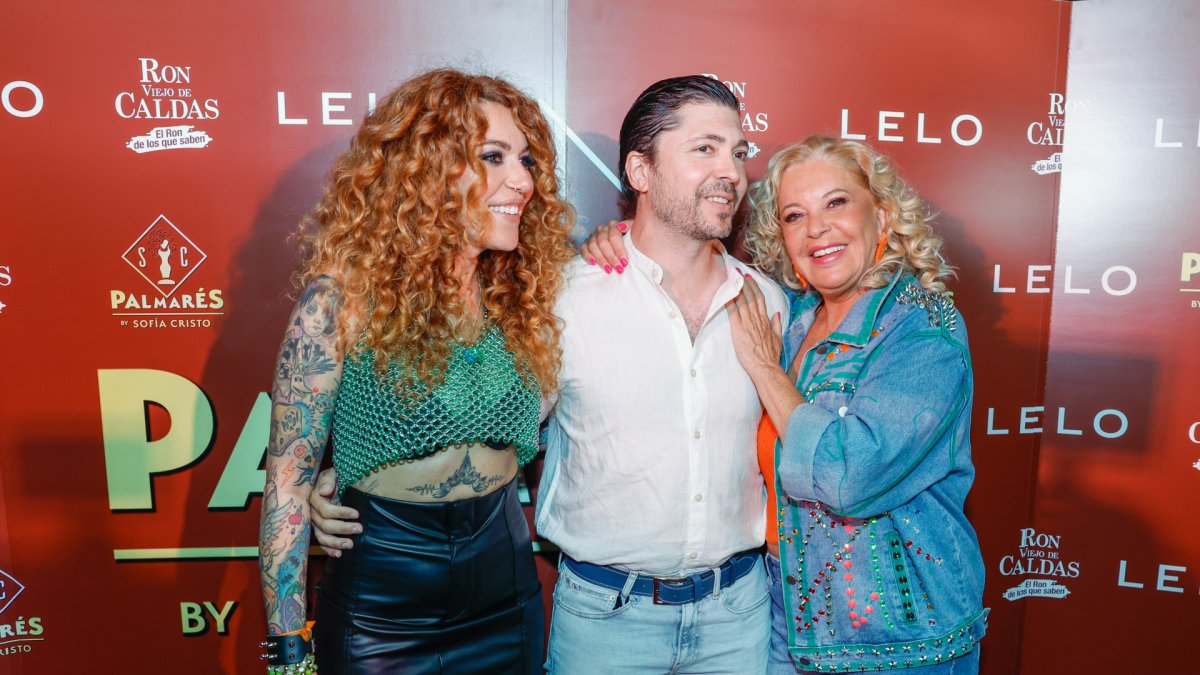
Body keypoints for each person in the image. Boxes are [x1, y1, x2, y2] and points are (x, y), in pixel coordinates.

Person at [311, 75, 789, 673]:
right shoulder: (563, 299)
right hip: (605, 622)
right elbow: (482, 420)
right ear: (640, 173)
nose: (732, 170)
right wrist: (353, 471)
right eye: (705, 149)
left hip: (737, 616)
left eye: (738, 152)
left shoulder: (769, 302)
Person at [584, 135, 988, 673]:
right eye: (795, 215)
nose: (816, 228)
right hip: (785, 618)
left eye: (836, 203)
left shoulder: (921, 328)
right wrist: (624, 243)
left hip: (897, 637)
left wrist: (766, 370)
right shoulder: (789, 317)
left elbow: (850, 475)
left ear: (883, 215)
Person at [257, 68, 574, 674]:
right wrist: (287, 655)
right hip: (382, 606)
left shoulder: (528, 297)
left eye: (527, 160)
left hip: (505, 595)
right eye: (493, 156)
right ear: (429, 171)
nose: (522, 181)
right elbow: (288, 488)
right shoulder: (339, 301)